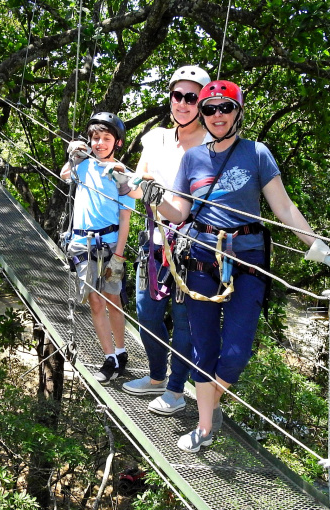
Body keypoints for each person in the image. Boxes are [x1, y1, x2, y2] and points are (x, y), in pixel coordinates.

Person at [140, 80, 330, 452]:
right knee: (204, 347)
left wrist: (320, 247)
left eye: (225, 108)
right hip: (202, 258)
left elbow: (283, 208)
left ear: (238, 112)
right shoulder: (192, 159)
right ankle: (205, 429)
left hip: (247, 258)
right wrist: (152, 198)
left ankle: (209, 403)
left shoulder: (256, 153)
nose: (217, 115)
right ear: (202, 116)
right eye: (209, 109)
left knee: (235, 353)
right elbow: (179, 213)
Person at [121, 65, 212, 416]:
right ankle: (157, 376)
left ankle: (176, 390)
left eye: (192, 97)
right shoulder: (156, 138)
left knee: (184, 318)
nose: (184, 104)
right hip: (155, 241)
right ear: (170, 98)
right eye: (178, 96)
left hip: (193, 244)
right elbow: (136, 180)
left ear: (202, 102)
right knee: (146, 312)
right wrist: (106, 170)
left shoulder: (212, 146)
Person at [60, 112, 136, 384]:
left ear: (117, 142)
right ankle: (109, 358)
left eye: (106, 138)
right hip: (83, 243)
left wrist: (119, 256)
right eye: (95, 138)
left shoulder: (123, 175)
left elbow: (126, 218)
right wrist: (75, 151)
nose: (100, 143)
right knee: (94, 301)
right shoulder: (84, 164)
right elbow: (64, 174)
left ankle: (121, 350)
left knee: (113, 300)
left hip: (111, 244)